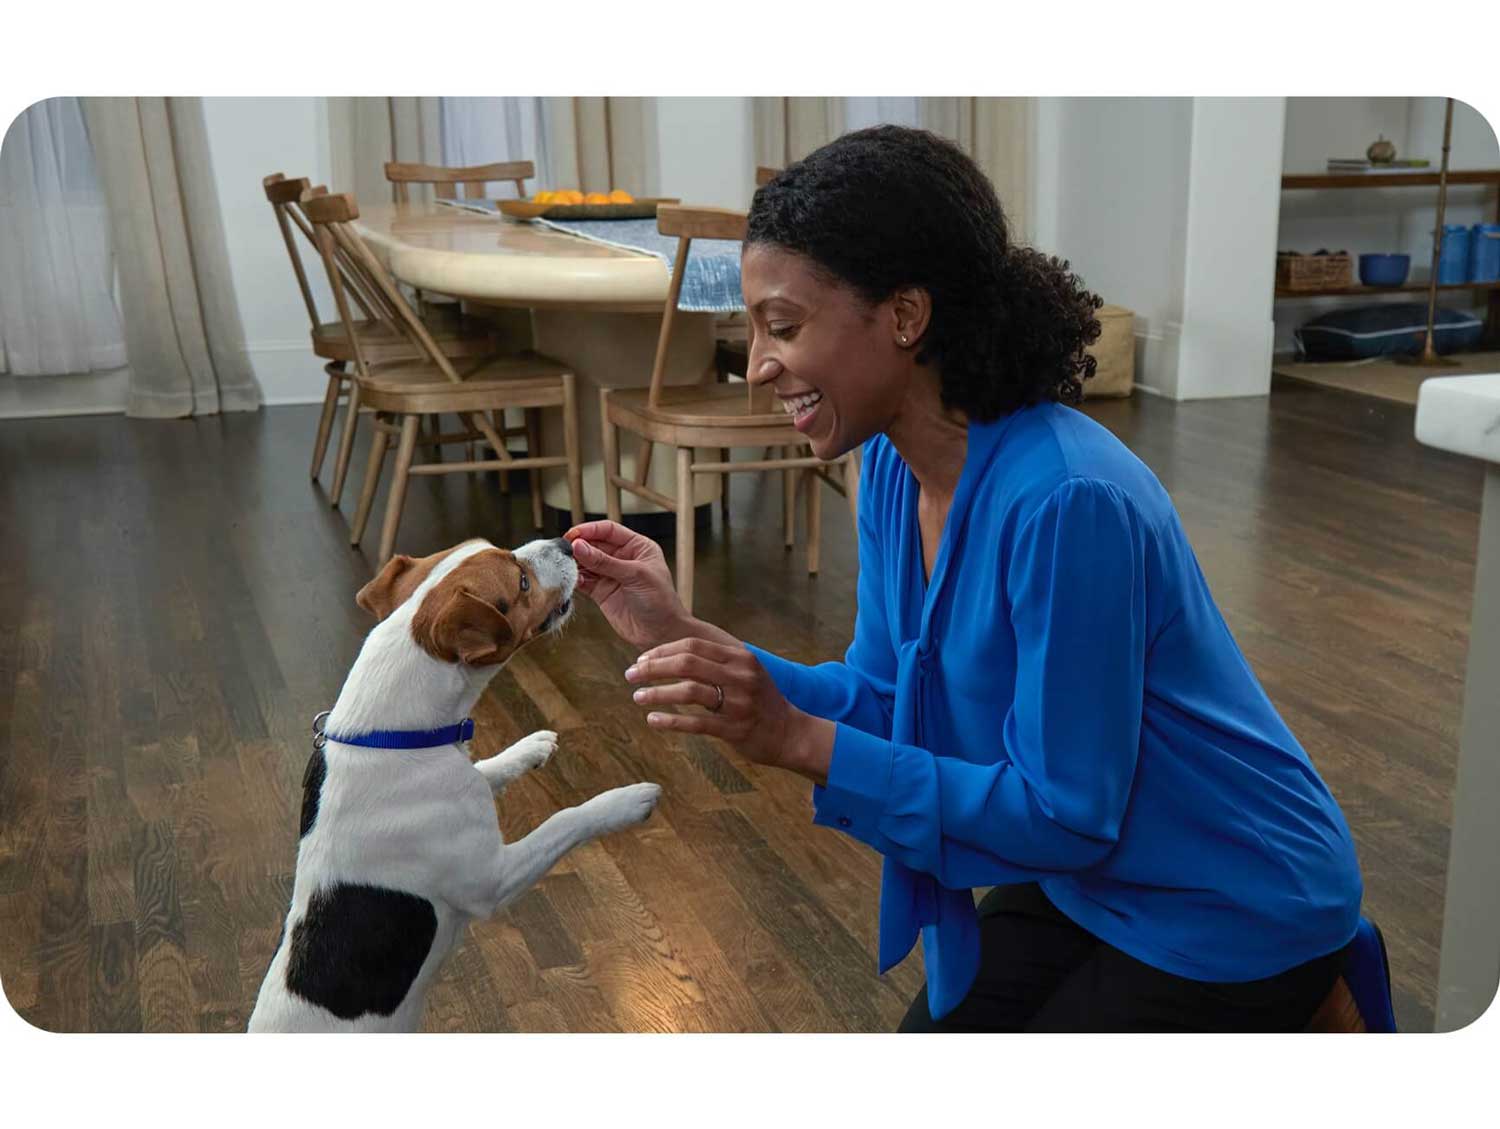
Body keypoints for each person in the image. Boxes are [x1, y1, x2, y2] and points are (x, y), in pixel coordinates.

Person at [563, 125, 1363, 1032]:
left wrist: (793, 738)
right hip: (1093, 875)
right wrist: (686, 638)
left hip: (1234, 896)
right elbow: (881, 693)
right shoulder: (897, 469)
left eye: (782, 326)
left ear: (906, 316)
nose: (756, 365)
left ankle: (1314, 1006)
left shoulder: (1068, 500)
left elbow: (1065, 813)